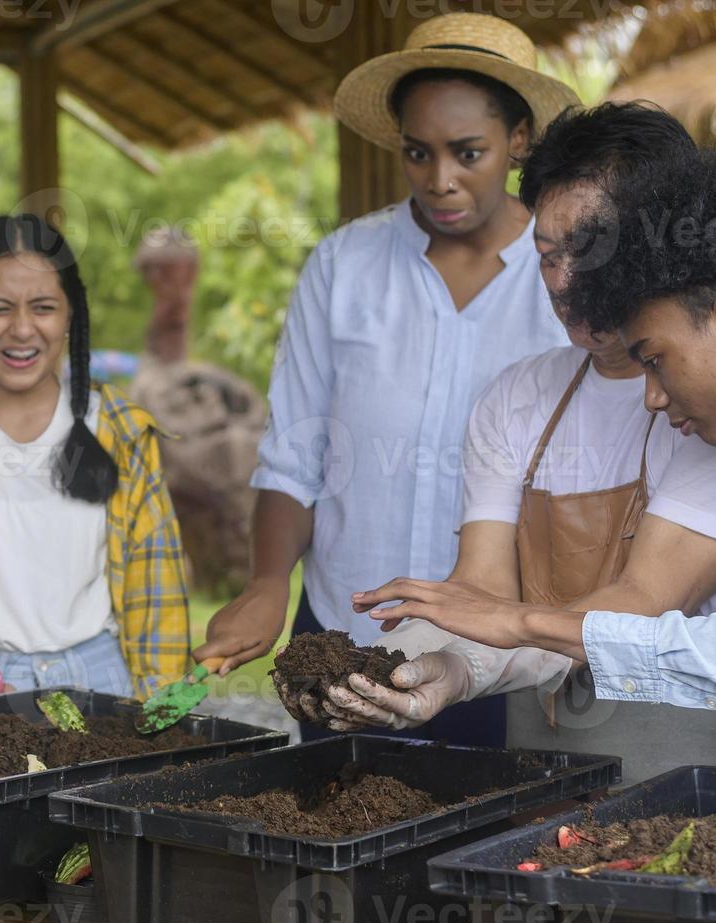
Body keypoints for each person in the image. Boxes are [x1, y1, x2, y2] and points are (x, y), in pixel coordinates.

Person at [289, 104, 716, 783]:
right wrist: (420, 669)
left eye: (588, 251)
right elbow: (482, 590)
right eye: (545, 255)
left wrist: (464, 658)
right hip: (552, 743)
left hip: (703, 745)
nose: (563, 283)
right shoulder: (516, 399)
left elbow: (642, 600)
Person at [194, 12, 580, 746]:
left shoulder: (559, 275)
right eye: (417, 152)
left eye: (468, 152)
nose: (440, 179)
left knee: (483, 843)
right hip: (343, 634)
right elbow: (293, 453)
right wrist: (267, 584)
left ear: (519, 141)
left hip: (500, 647)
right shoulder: (344, 265)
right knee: (344, 832)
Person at [0, 213, 188, 702]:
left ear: (71, 314)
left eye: (43, 307)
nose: (22, 330)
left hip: (107, 680)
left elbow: (157, 585)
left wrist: (160, 709)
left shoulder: (121, 428)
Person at [126, 225, 267, 596]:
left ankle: (236, 566)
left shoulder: (211, 377)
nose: (173, 280)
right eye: (162, 271)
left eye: (180, 270)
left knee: (237, 446)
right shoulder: (151, 387)